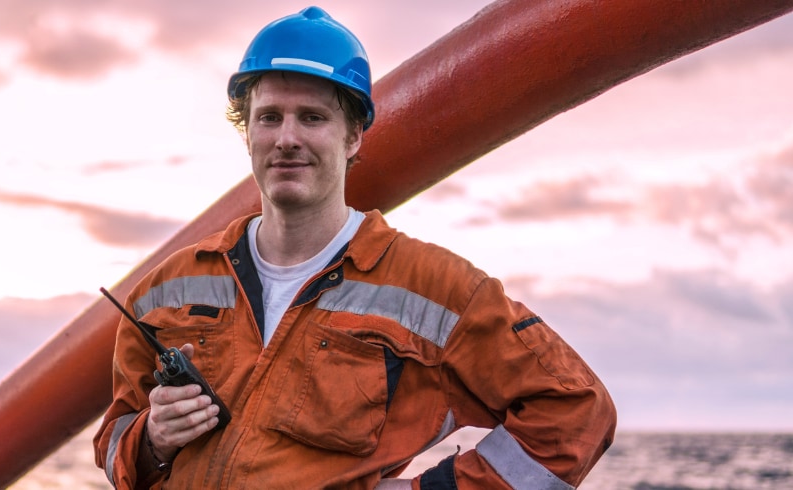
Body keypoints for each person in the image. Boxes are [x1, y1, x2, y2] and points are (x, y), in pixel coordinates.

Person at [93, 6, 616, 489]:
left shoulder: (435, 288)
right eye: (269, 117)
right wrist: (154, 439)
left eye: (313, 118)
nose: (287, 138)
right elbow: (115, 440)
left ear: (354, 136)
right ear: (246, 131)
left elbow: (576, 412)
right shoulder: (166, 289)